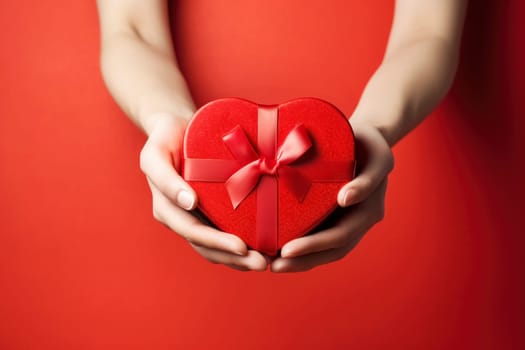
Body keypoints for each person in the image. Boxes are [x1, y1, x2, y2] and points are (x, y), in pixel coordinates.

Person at [96, 0, 467, 272]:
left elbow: (428, 31)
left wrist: (374, 131)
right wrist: (167, 122)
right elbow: (130, 28)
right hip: (173, 251)